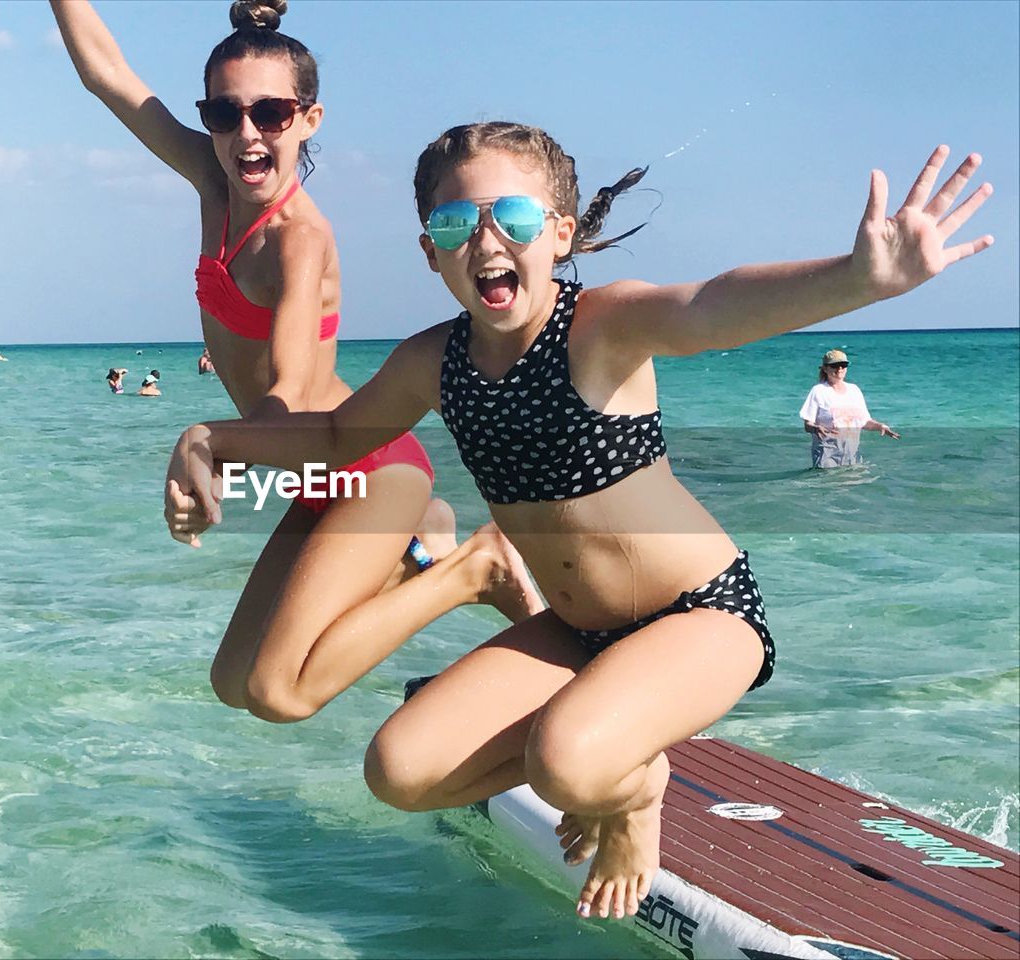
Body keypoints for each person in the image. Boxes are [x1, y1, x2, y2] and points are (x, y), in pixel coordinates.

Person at [167, 123, 992, 920]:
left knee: (565, 764)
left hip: (699, 615)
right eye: (455, 222)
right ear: (430, 251)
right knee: (399, 770)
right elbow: (341, 433)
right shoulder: (434, 360)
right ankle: (617, 770)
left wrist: (857, 279)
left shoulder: (598, 329)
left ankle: (628, 789)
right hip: (573, 630)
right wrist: (211, 438)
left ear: (558, 234)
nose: (485, 238)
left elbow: (711, 306)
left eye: (513, 217)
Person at [52, 1, 541, 724]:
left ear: (309, 119)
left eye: (271, 113)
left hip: (367, 468)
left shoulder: (298, 241)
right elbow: (105, 73)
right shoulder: (212, 181)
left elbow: (284, 396)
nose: (246, 132)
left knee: (280, 692)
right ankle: (420, 548)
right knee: (233, 681)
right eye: (224, 113)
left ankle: (475, 568)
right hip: (314, 475)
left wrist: (206, 447)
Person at [800, 349, 899, 467]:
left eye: (843, 365)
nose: (840, 369)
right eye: (835, 365)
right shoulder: (818, 391)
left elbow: (864, 422)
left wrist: (880, 426)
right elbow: (807, 425)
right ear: (825, 369)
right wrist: (816, 428)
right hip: (826, 456)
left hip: (852, 455)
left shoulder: (854, 390)